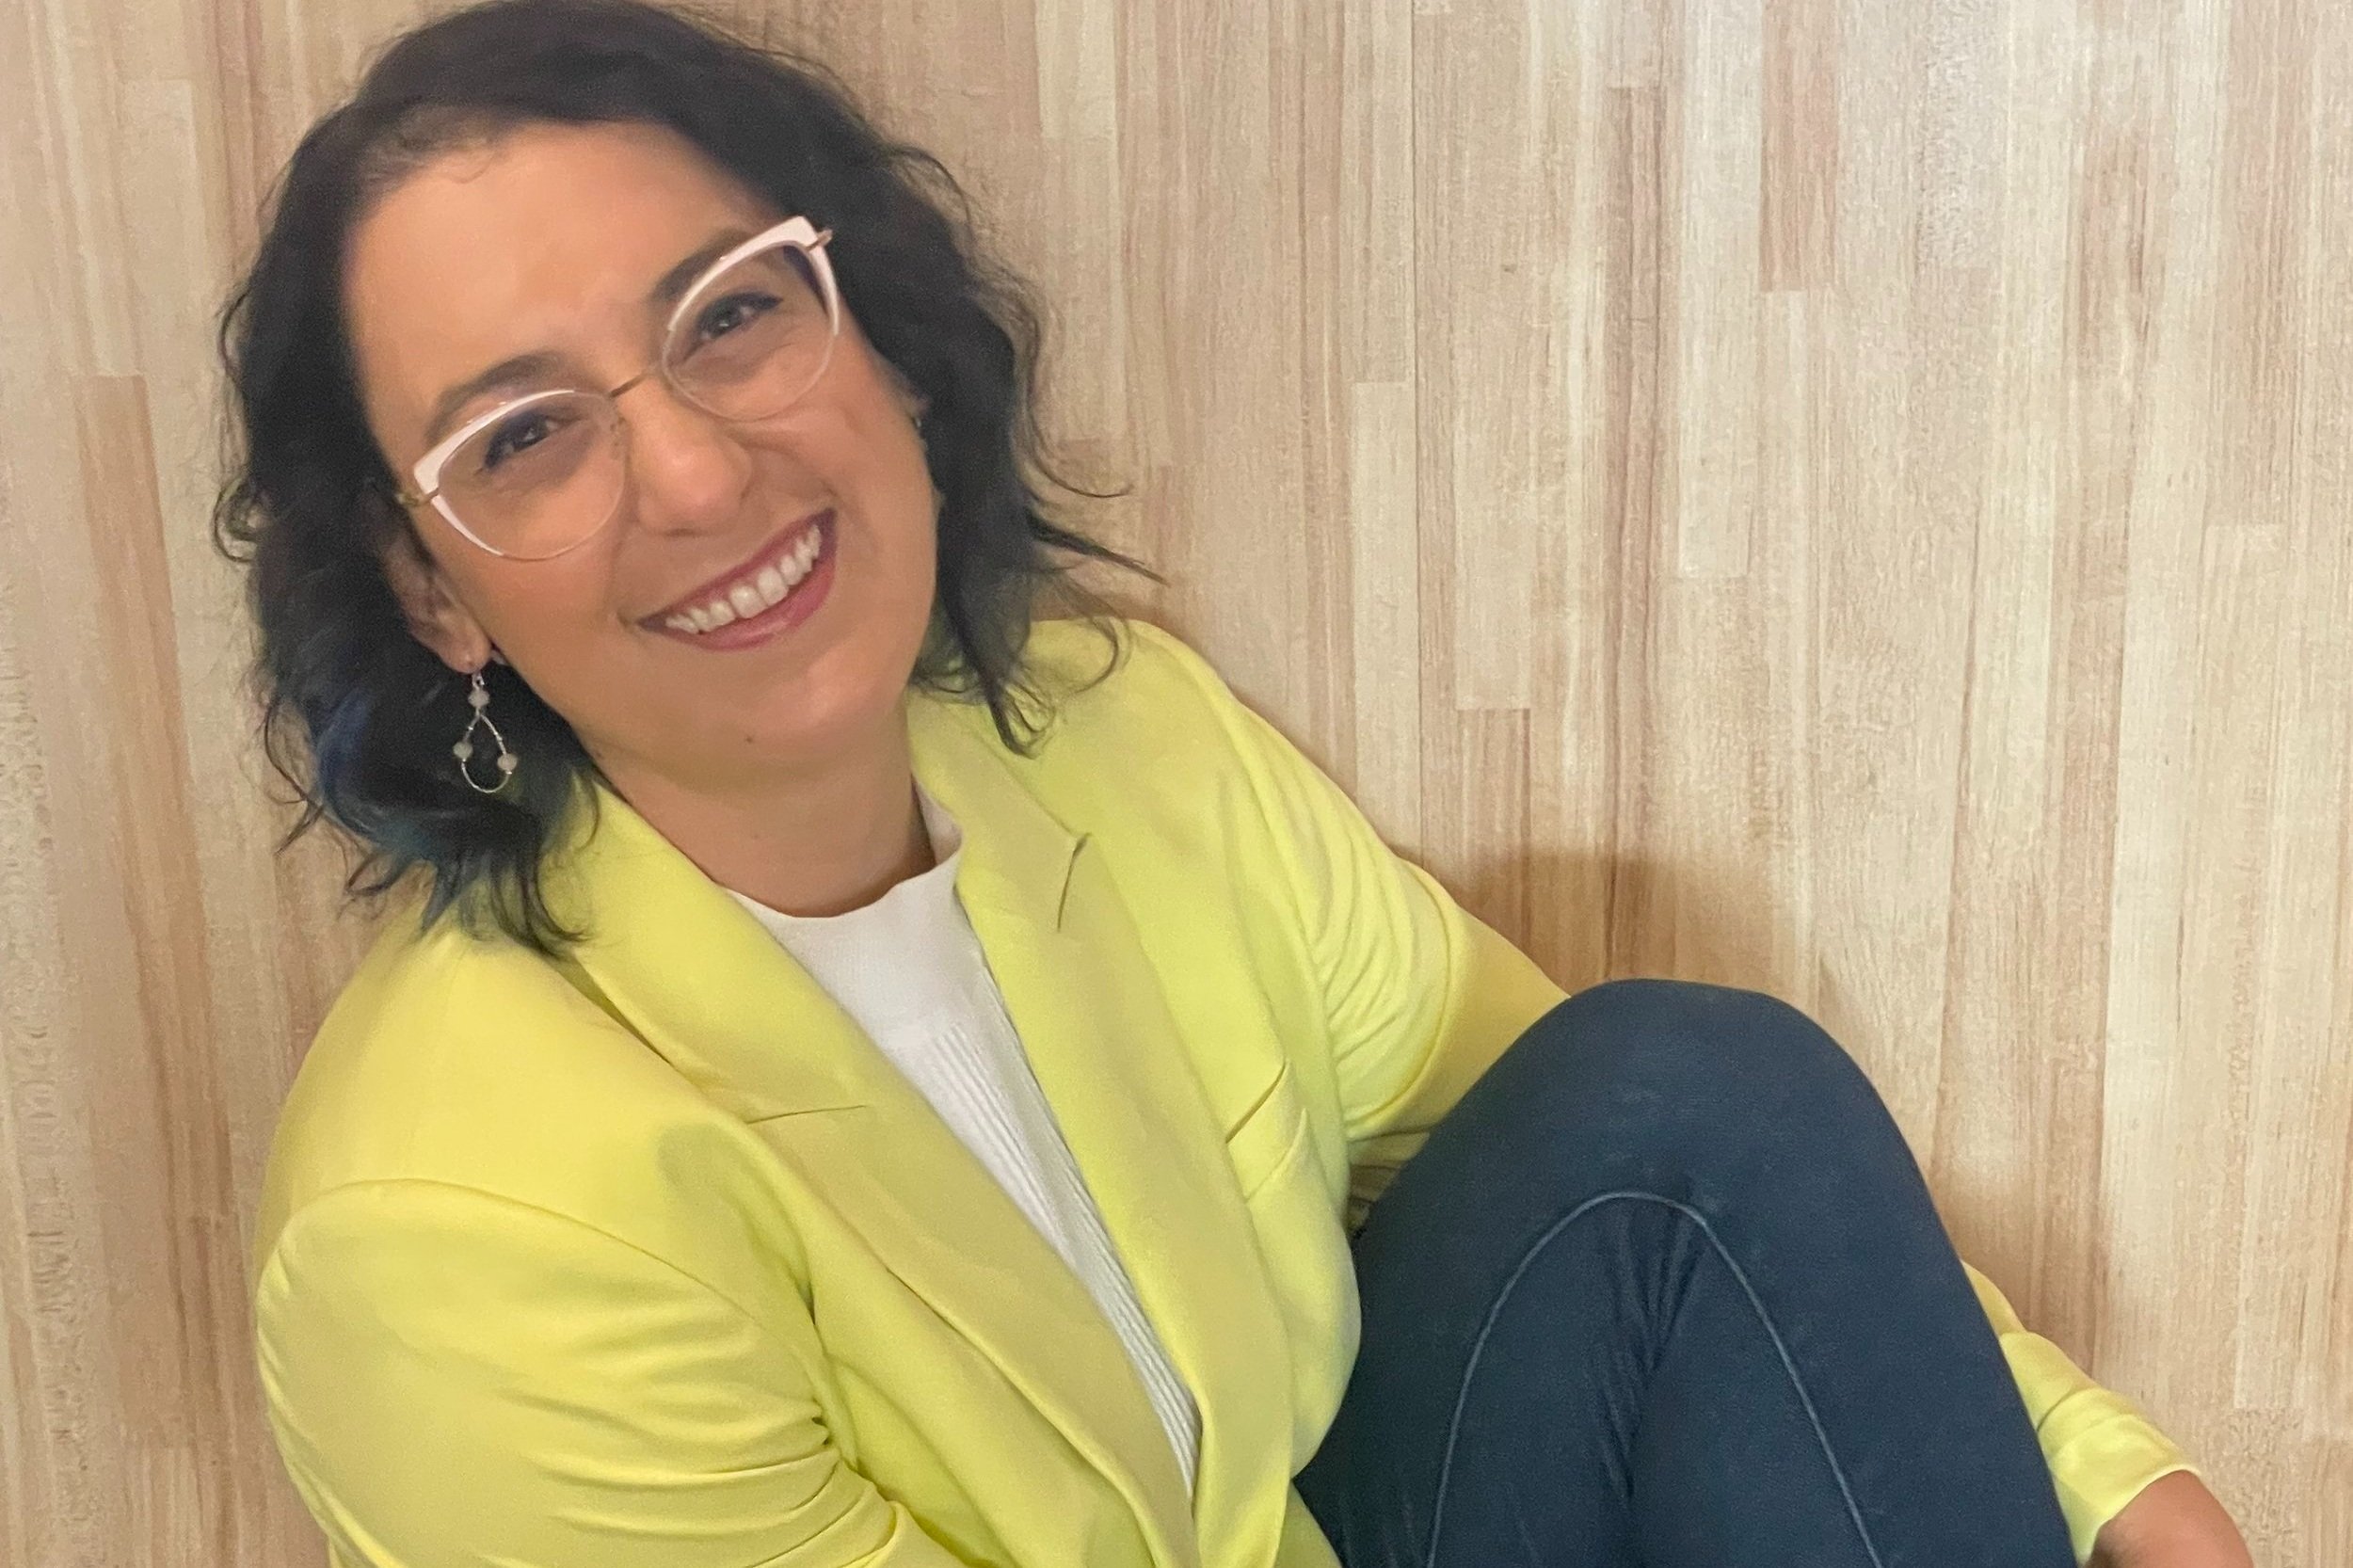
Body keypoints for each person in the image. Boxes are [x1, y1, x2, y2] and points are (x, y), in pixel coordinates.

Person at [215, 2, 2250, 1564]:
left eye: (730, 314)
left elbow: (1554, 1118)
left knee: (1688, 1098)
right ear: (432, 591)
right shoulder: (458, 1231)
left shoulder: (1116, 734)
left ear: (883, 342)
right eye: (523, 438)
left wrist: (2096, 1474)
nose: (690, 470)